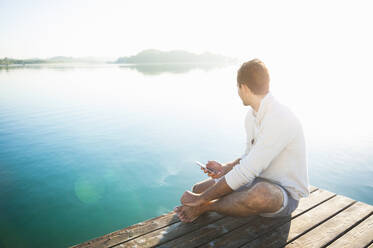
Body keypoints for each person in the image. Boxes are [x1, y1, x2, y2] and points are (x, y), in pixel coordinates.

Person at [174, 59, 309, 222]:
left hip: (283, 194)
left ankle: (206, 206)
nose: (237, 92)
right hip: (256, 180)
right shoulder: (252, 116)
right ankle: (204, 203)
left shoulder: (280, 118)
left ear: (243, 87)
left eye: (237, 88)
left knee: (260, 194)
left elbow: (247, 171)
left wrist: (201, 199)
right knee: (198, 187)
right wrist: (226, 168)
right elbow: (249, 157)